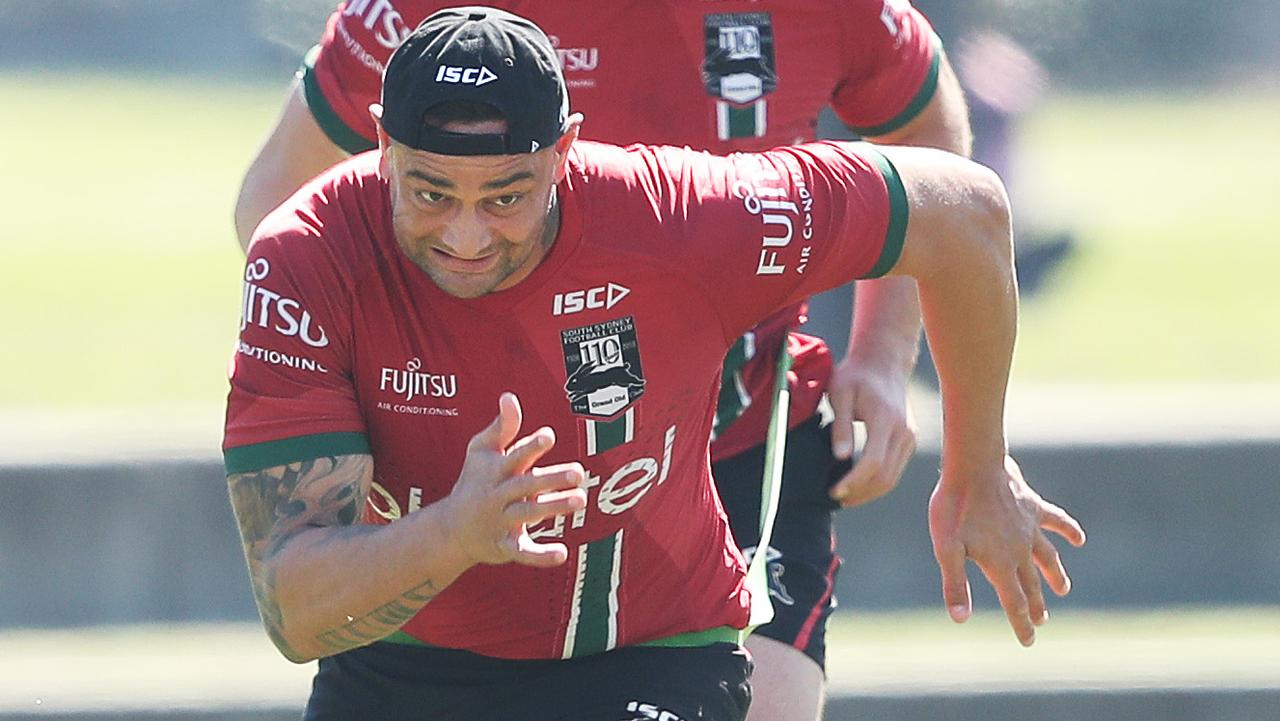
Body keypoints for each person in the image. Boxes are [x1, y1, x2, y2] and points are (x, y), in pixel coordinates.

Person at [224, 7, 1085, 720]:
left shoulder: (682, 216)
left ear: (565, 153)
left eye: (506, 195)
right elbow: (297, 609)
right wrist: (425, 463)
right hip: (423, 595)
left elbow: (961, 206)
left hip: (717, 474)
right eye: (432, 191)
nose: (465, 233)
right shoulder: (309, 246)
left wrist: (949, 432)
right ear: (383, 147)